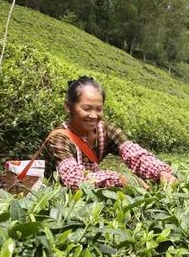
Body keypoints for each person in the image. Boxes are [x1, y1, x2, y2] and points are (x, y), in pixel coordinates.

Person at [43, 76, 178, 189]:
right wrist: (120, 180)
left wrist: (160, 172)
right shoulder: (59, 139)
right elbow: (73, 179)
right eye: (86, 108)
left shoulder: (106, 131)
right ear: (68, 106)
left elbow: (135, 154)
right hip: (59, 200)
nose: (93, 115)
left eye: (99, 109)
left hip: (92, 196)